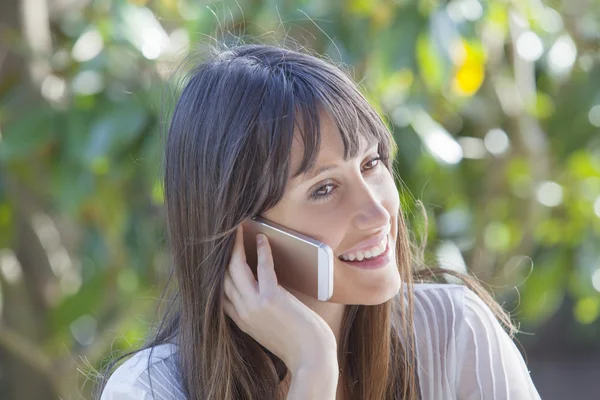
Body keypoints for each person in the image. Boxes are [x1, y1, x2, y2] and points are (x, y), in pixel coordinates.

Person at [98, 43, 541, 399]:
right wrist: (313, 369)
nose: (377, 213)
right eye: (324, 189)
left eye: (371, 164)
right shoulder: (150, 389)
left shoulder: (451, 334)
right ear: (245, 235)